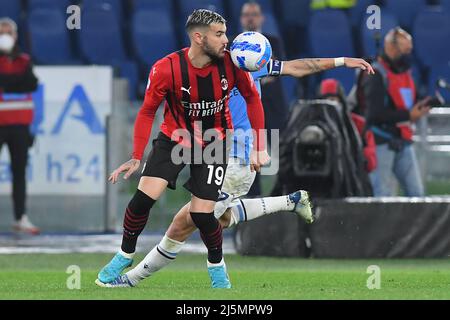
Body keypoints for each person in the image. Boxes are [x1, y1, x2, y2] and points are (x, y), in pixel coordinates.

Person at [97, 57, 374, 286]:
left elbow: (298, 66)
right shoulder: (219, 67)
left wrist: (341, 61)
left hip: (239, 158)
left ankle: (131, 279)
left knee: (184, 222)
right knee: (221, 219)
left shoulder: (247, 65)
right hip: (213, 151)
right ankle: (292, 201)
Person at [95, 9, 269, 289]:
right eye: (220, 34)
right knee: (143, 199)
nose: (227, 40)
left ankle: (217, 268)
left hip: (215, 141)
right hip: (175, 138)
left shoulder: (233, 65)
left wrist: (259, 146)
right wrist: (136, 156)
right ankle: (125, 254)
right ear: (199, 38)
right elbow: (147, 110)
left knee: (202, 215)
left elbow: (253, 100)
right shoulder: (166, 68)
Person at [359, 27, 431, 197]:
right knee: (381, 196)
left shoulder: (405, 73)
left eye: (410, 50)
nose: (408, 54)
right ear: (391, 48)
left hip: (403, 140)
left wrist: (419, 107)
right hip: (380, 143)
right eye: (405, 50)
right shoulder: (375, 74)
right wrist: (408, 115)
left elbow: (405, 102)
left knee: (417, 195)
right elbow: (374, 115)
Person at [239, 1, 289, 196]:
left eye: (254, 14)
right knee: (250, 153)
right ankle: (252, 198)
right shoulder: (235, 44)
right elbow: (268, 72)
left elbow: (279, 69)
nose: (250, 17)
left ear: (261, 18)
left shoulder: (273, 42)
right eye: (246, 14)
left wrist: (250, 77)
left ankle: (285, 194)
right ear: (242, 19)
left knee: (283, 152)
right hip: (247, 108)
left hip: (274, 106)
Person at [0, 18, 39, 235]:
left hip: (20, 126)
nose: (5, 36)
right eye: (1, 32)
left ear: (15, 36)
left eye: (8, 32)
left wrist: (7, 82)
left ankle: (20, 217)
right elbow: (20, 82)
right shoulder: (22, 64)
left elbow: (31, 83)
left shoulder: (24, 60)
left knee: (19, 173)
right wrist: (15, 81)